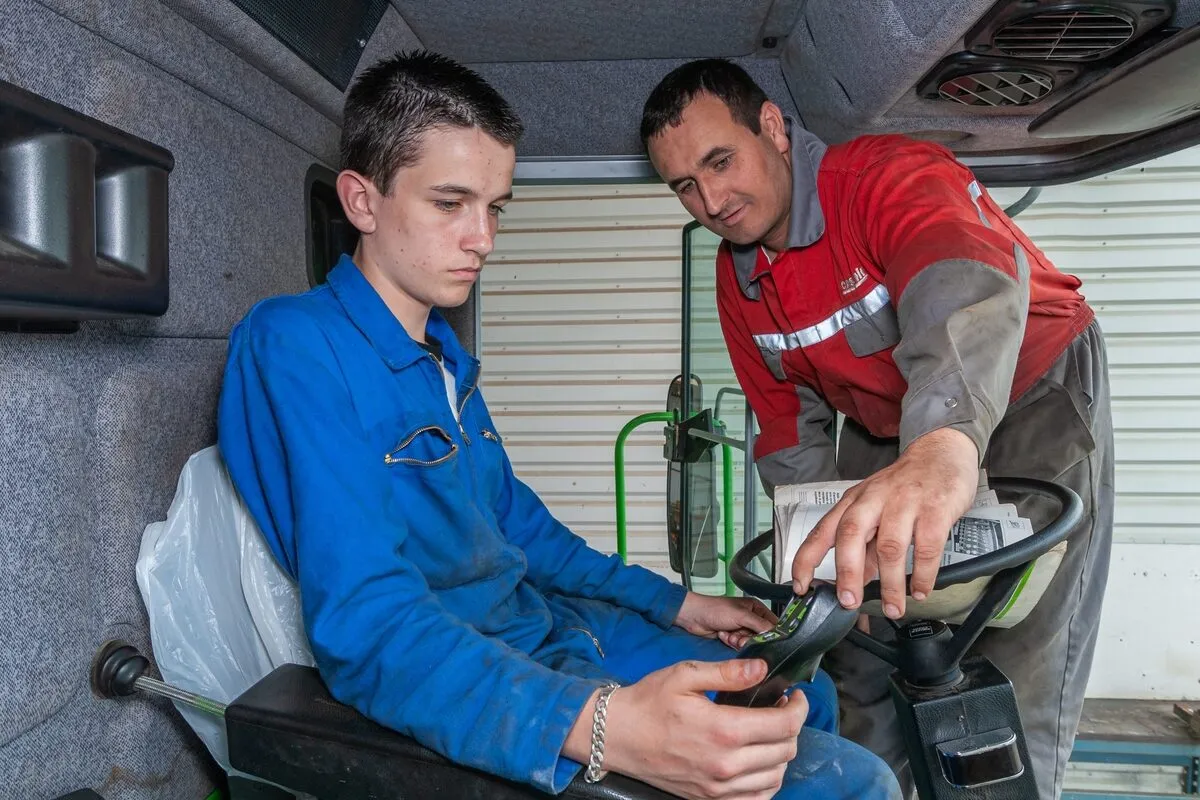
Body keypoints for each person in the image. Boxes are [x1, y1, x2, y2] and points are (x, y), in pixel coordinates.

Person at [217, 50, 900, 800]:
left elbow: (530, 538)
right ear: (362, 201)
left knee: (803, 689)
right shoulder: (295, 343)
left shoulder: (443, 360)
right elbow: (369, 625)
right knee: (855, 782)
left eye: (495, 206)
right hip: (491, 672)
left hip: (553, 624)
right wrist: (599, 721)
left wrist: (682, 603)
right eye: (450, 203)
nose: (483, 238)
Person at [641, 59, 1113, 800]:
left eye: (720, 161)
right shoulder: (739, 282)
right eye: (685, 186)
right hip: (883, 420)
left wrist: (946, 445)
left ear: (772, 126)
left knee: (1018, 640)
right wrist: (813, 569)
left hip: (1025, 383)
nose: (712, 200)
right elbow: (786, 429)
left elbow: (962, 289)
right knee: (854, 639)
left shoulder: (888, 177)